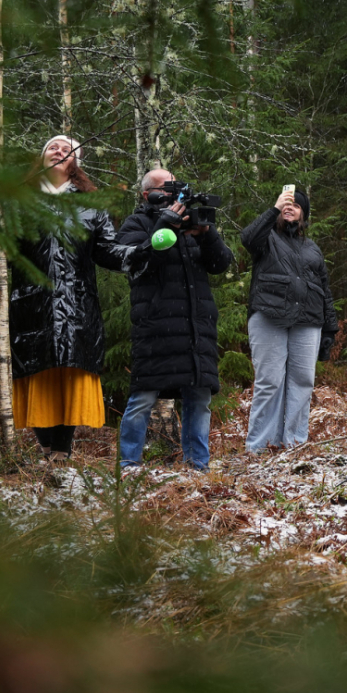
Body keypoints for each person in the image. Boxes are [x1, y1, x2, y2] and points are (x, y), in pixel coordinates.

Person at [10, 135, 131, 462]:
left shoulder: (91, 205)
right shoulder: (19, 201)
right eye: (52, 147)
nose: (59, 151)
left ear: (74, 163)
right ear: (42, 158)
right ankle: (47, 450)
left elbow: (108, 251)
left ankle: (60, 455)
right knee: (37, 375)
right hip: (28, 303)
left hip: (76, 303)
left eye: (67, 150)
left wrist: (142, 254)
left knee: (67, 374)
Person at [116, 167, 234, 471]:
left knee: (198, 397)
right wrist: (161, 226)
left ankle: (198, 465)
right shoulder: (137, 223)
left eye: (176, 188)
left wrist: (207, 234)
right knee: (143, 396)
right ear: (148, 194)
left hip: (195, 325)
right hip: (156, 325)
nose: (173, 194)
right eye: (166, 188)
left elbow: (221, 263)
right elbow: (131, 261)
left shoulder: (192, 222)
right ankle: (129, 464)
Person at [240, 185, 338, 453]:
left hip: (308, 321)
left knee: (303, 381)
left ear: (303, 214)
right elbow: (247, 239)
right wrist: (273, 208)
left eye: (296, 204)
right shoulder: (266, 237)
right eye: (286, 203)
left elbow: (325, 289)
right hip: (269, 316)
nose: (289, 207)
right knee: (269, 380)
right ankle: (259, 447)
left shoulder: (312, 248)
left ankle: (294, 444)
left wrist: (330, 328)